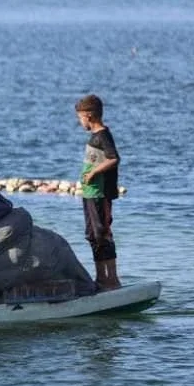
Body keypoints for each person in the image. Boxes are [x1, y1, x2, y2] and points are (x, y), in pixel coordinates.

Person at [75, 94, 122, 290]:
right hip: (89, 193)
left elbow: (113, 158)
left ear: (88, 116)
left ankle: (112, 280)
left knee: (102, 234)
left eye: (80, 118)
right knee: (93, 235)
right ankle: (100, 278)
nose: (79, 122)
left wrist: (93, 172)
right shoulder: (94, 137)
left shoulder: (103, 135)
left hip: (100, 194)